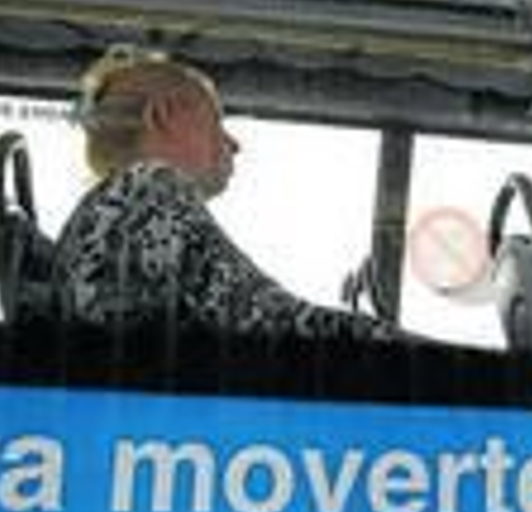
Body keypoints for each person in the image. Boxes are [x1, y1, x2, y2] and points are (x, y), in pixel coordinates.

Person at [55, 45, 394, 341]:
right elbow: (274, 324)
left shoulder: (116, 207)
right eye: (215, 122)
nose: (234, 144)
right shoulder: (149, 187)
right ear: (163, 116)